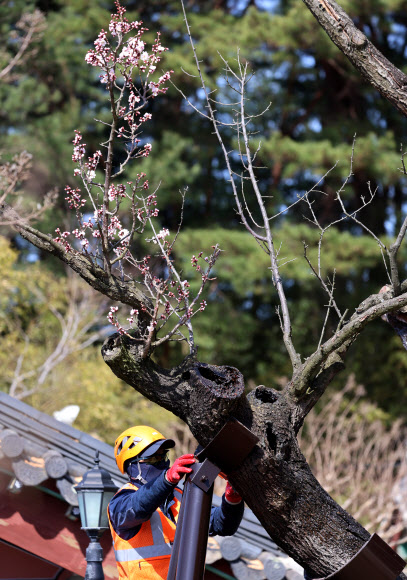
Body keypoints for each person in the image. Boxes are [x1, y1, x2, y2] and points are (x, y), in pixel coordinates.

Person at [108, 425, 245, 579]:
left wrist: (232, 500)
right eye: (154, 458)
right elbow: (137, 508)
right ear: (133, 466)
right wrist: (166, 479)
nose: (162, 463)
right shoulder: (120, 503)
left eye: (163, 457)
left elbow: (221, 525)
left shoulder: (179, 496)